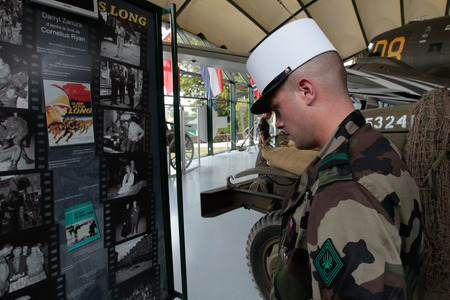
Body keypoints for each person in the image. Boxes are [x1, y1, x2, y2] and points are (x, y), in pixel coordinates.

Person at [246, 19, 423, 299]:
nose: (277, 123)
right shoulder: (372, 144)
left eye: (277, 109)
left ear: (306, 90)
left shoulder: (346, 192)